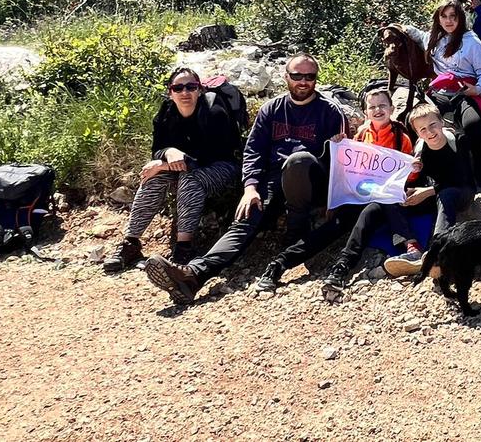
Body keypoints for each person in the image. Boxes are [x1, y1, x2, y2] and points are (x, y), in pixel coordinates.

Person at [144, 54, 347, 305]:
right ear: (286, 77)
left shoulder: (330, 112)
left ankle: (294, 234)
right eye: (297, 76)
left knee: (299, 160)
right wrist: (250, 187)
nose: (303, 82)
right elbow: (254, 151)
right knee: (244, 221)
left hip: (311, 179)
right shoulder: (271, 109)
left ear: (316, 79)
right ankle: (194, 275)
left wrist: (335, 197)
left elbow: (340, 160)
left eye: (310, 76)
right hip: (273, 179)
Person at [250, 87, 418, 295]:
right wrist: (339, 150)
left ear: (391, 109)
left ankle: (341, 268)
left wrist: (412, 169)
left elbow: (405, 177)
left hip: (382, 199)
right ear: (366, 112)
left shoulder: (402, 137)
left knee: (367, 217)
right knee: (331, 228)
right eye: (372, 107)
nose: (377, 110)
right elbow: (347, 170)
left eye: (382, 105)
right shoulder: (361, 135)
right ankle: (279, 263)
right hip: (357, 194)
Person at [103, 67, 241, 272]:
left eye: (191, 87)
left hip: (222, 166)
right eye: (178, 88)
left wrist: (168, 163)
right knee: (152, 177)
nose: (184, 92)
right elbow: (157, 149)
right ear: (170, 92)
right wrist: (168, 153)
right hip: (185, 165)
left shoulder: (214, 112)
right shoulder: (167, 112)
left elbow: (211, 155)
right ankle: (130, 243)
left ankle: (183, 247)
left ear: (199, 90)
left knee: (189, 179)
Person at [380, 102, 477, 279]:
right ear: (417, 133)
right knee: (392, 196)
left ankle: (437, 254)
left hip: (460, 192)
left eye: (433, 125)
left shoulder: (458, 141)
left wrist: (428, 191)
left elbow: (464, 179)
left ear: (441, 122)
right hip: (434, 194)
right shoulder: (421, 149)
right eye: (422, 129)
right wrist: (412, 180)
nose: (430, 132)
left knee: (445, 194)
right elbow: (423, 179)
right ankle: (413, 249)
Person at [425, 0, 481, 189]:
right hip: (439, 92)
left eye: (453, 17)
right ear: (438, 19)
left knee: (473, 124)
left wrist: (477, 89)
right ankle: (428, 169)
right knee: (419, 119)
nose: (448, 21)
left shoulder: (471, 41)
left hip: (465, 92)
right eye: (444, 16)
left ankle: (480, 166)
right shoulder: (434, 38)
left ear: (460, 19)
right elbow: (417, 35)